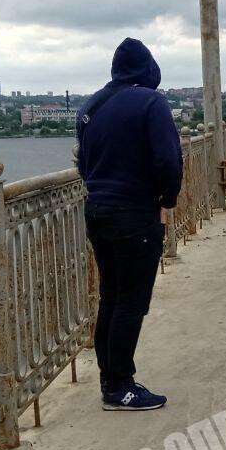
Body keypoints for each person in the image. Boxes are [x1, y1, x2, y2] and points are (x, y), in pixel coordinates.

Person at [76, 38, 181, 411]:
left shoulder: (91, 105)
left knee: (111, 296)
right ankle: (120, 386)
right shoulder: (152, 102)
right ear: (148, 68)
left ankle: (110, 379)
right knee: (131, 302)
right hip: (135, 214)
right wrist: (167, 201)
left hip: (97, 211)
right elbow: (169, 160)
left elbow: (83, 162)